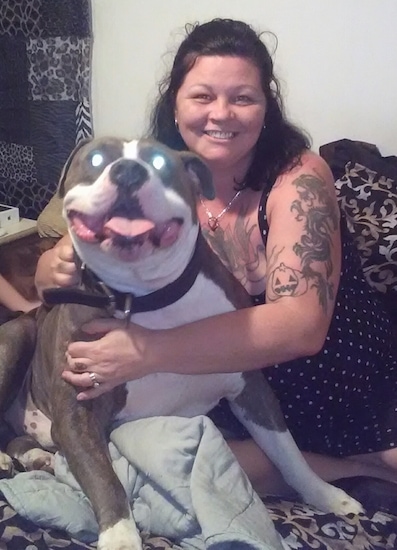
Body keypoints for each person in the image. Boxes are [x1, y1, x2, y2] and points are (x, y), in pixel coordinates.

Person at [35, 18, 397, 497]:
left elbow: (301, 327)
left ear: (267, 108)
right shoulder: (161, 180)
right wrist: (48, 269)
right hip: (220, 387)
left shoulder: (298, 175)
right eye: (203, 96)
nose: (221, 114)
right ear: (176, 105)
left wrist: (144, 352)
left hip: (331, 383)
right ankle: (350, 469)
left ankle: (367, 464)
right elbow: (85, 242)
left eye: (242, 98)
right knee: (175, 468)